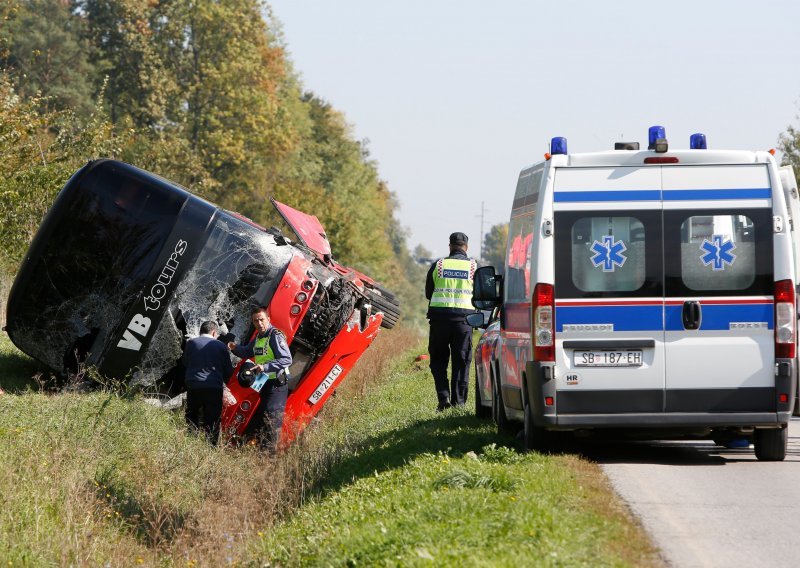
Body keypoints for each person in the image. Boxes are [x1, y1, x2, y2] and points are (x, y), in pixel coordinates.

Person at [425, 231, 478, 411]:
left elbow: (428, 294)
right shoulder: (474, 267)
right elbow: (479, 296)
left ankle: (443, 398)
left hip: (439, 320)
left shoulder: (438, 265)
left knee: (438, 360)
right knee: (461, 361)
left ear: (450, 246)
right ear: (466, 247)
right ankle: (459, 403)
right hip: (464, 322)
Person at [228, 306, 292, 451]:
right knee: (264, 416)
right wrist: (233, 347)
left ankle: (269, 455)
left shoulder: (275, 335)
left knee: (272, 417)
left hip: (277, 384)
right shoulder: (258, 337)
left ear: (268, 319)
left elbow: (286, 359)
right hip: (266, 384)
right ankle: (260, 449)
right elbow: (246, 352)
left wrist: (265, 367)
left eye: (262, 320)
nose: (260, 324)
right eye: (256, 321)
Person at [182, 320, 234, 445]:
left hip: (193, 386)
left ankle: (190, 444)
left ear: (201, 331)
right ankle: (210, 447)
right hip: (213, 388)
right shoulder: (221, 346)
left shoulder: (191, 343)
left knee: (192, 416)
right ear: (214, 332)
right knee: (212, 420)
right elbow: (228, 371)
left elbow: (185, 362)